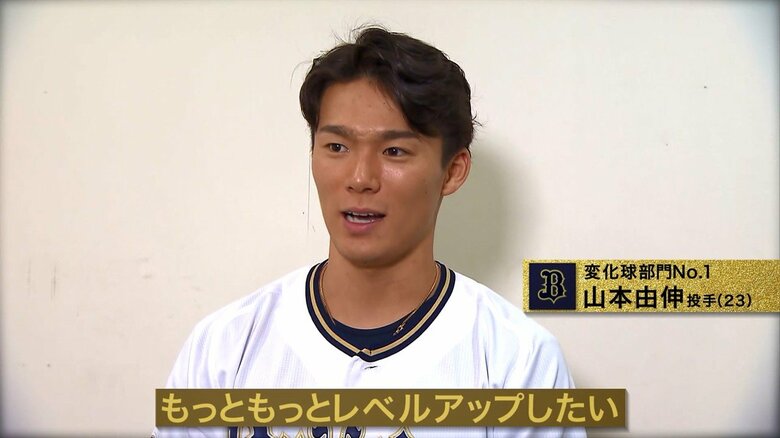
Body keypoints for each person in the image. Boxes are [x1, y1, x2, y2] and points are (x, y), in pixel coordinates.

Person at [154, 27, 583, 438]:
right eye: (337, 147)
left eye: (394, 151)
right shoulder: (224, 346)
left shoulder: (517, 360)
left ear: (453, 171)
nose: (360, 178)